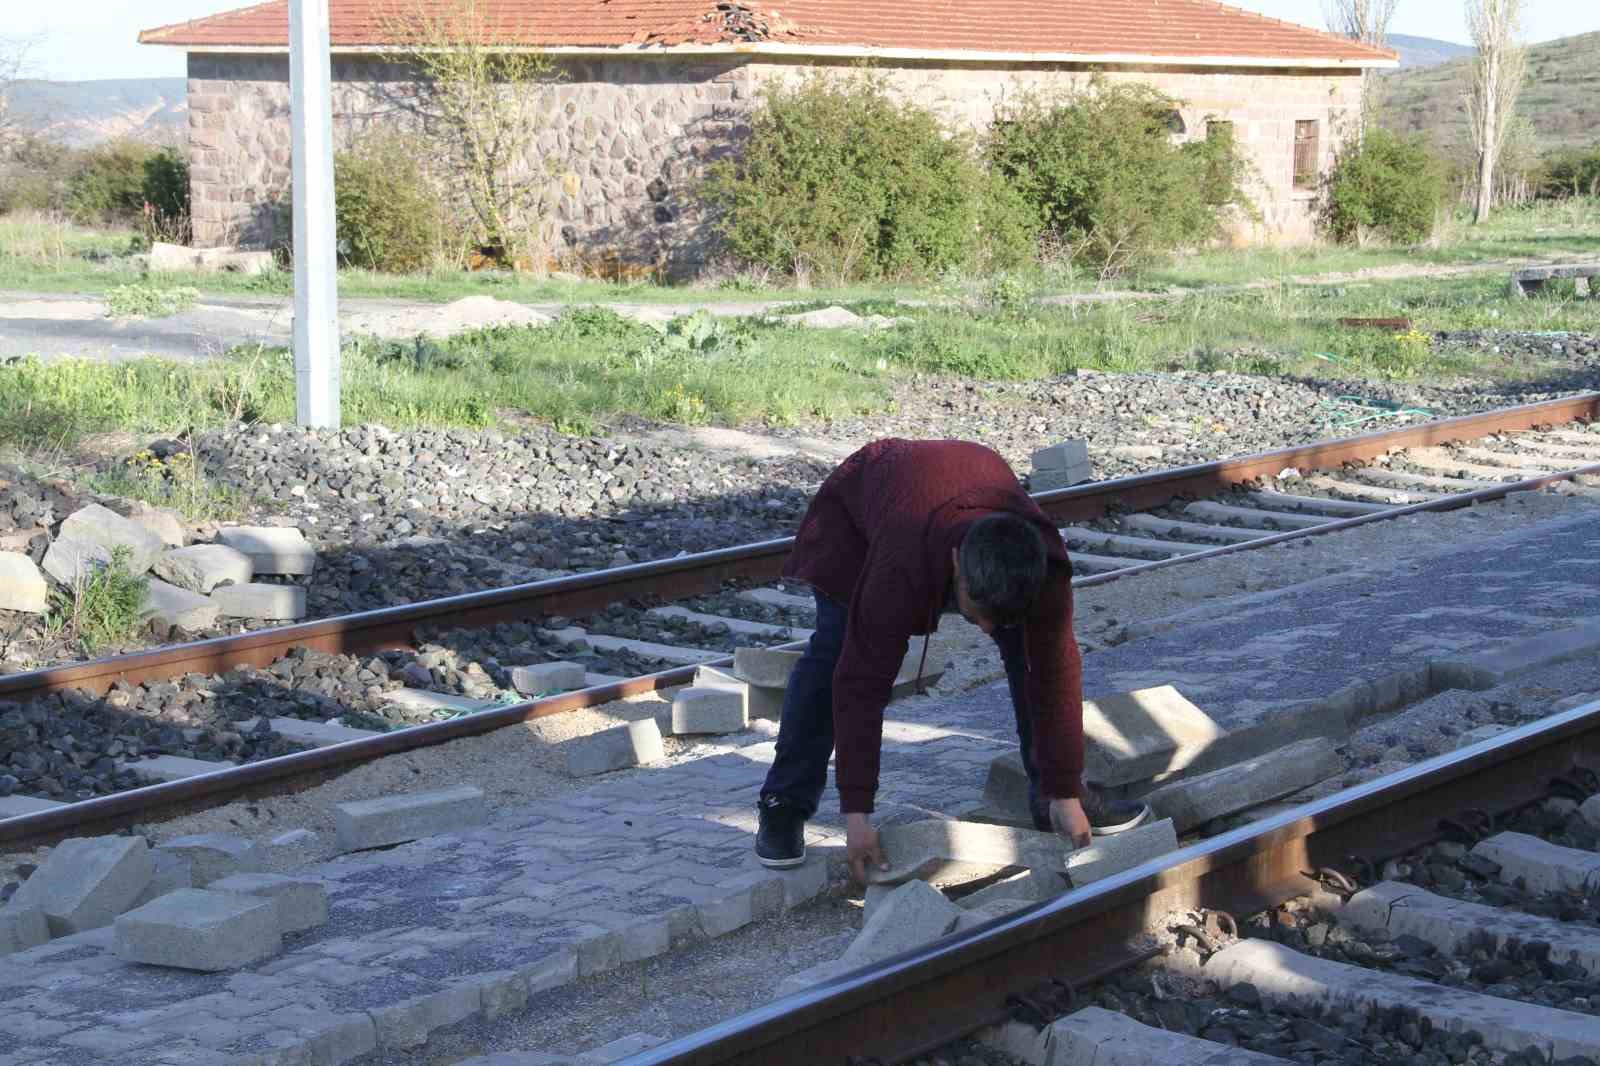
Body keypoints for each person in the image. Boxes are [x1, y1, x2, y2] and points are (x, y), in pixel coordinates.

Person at [754, 438, 1150, 883]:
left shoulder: (1044, 562)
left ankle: (1052, 799)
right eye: (976, 614)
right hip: (862, 517)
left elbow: (1054, 674)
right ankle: (783, 803)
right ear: (957, 564)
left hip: (950, 495)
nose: (984, 630)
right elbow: (861, 686)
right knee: (833, 657)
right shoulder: (899, 566)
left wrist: (1064, 789)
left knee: (1029, 654)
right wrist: (857, 815)